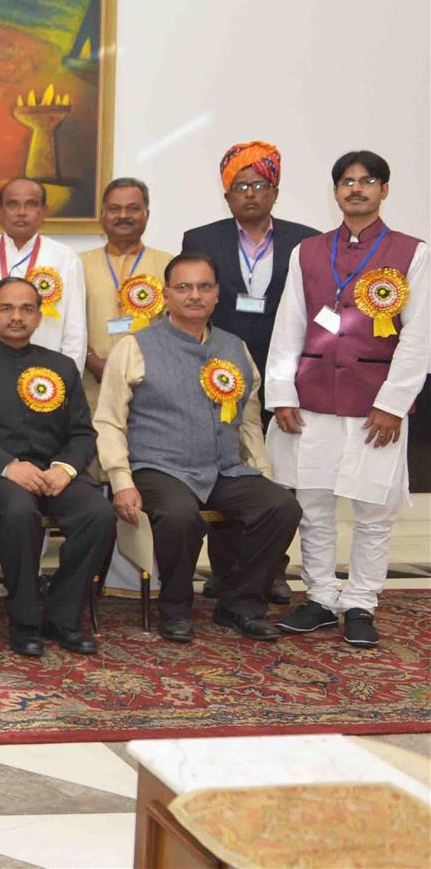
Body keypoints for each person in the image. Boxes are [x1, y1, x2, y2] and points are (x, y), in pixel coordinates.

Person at [93, 253, 299, 643]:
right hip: (159, 467)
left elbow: (249, 419)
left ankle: (240, 603)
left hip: (224, 467)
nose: (194, 296)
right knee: (179, 515)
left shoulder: (235, 347)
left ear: (217, 294)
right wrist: (121, 479)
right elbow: (108, 421)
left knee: (281, 506)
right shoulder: (135, 347)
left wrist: (262, 470)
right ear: (166, 294)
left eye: (204, 287)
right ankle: (174, 606)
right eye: (184, 287)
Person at [268, 150, 427, 648]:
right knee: (313, 505)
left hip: (373, 405)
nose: (355, 189)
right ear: (336, 190)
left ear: (383, 190)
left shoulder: (413, 252)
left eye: (367, 181)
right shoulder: (308, 252)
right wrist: (281, 391)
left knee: (372, 511)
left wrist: (393, 402)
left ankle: (361, 602)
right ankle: (319, 596)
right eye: (347, 182)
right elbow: (289, 323)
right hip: (313, 399)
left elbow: (419, 336)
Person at [0, 277, 113, 656]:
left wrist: (65, 468)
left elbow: (83, 433)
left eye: (26, 309)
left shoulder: (62, 367)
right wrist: (8, 467)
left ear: (38, 317)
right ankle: (24, 621)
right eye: (7, 308)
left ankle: (62, 617)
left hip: (54, 475)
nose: (16, 317)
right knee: (19, 511)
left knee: (99, 513)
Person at [182, 141, 319, 392]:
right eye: (240, 187)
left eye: (258, 185)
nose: (249, 194)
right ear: (227, 197)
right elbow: (191, 305)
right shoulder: (200, 240)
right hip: (217, 366)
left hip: (286, 370)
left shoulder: (307, 241)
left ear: (275, 193)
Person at [0, 178, 88, 373]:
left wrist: (68, 380)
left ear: (44, 212)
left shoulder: (65, 257)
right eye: (13, 204)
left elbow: (75, 329)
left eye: (31, 204)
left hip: (47, 378)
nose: (21, 212)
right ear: (0, 212)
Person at [79, 178, 173, 402]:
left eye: (133, 209)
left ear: (146, 215)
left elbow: (176, 325)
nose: (123, 216)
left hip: (152, 386)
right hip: (93, 386)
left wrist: (146, 366)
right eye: (114, 209)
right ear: (103, 215)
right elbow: (70, 324)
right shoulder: (77, 264)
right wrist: (91, 361)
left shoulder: (169, 264)